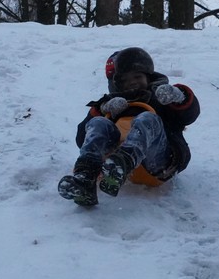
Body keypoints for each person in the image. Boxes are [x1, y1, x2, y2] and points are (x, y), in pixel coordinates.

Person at [58, 47, 200, 206]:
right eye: (125, 80)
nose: (132, 82)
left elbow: (189, 115)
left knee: (147, 119)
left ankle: (122, 163)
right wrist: (101, 110)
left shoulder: (161, 98)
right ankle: (85, 177)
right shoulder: (112, 104)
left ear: (148, 76)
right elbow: (82, 138)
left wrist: (178, 96)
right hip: (112, 162)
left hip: (158, 163)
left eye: (137, 76)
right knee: (98, 123)